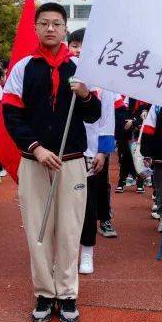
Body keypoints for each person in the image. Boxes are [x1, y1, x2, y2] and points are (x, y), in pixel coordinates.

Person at [3, 2, 102, 322]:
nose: (50, 29)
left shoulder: (81, 69)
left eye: (56, 24)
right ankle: (45, 294)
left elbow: (93, 115)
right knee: (38, 230)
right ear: (36, 28)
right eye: (44, 23)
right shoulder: (23, 68)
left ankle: (68, 294)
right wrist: (37, 148)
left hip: (72, 162)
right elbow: (11, 115)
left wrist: (86, 95)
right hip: (35, 161)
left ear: (64, 28)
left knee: (70, 231)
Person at [66, 28, 118, 276]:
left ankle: (87, 252)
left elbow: (107, 118)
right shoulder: (63, 74)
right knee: (64, 206)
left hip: (91, 152)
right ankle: (65, 253)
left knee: (87, 205)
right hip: (64, 152)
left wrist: (103, 152)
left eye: (83, 46)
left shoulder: (103, 80)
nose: (78, 50)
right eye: (74, 45)